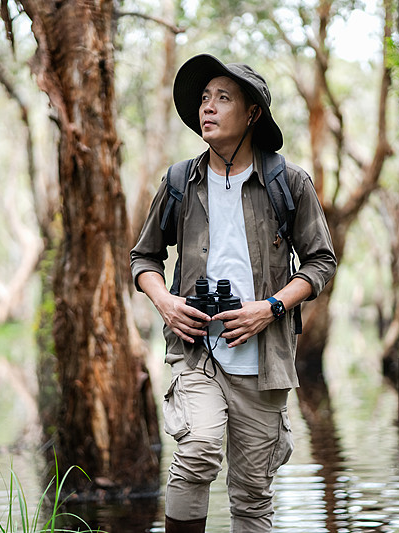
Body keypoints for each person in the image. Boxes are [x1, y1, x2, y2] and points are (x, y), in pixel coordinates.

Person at [130, 53, 337, 533]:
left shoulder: (289, 183)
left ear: (252, 114)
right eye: (204, 98)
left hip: (264, 364)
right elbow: (144, 258)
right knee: (198, 449)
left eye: (224, 98)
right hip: (198, 351)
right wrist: (166, 301)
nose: (209, 107)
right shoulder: (181, 181)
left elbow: (320, 261)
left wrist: (270, 308)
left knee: (252, 494)